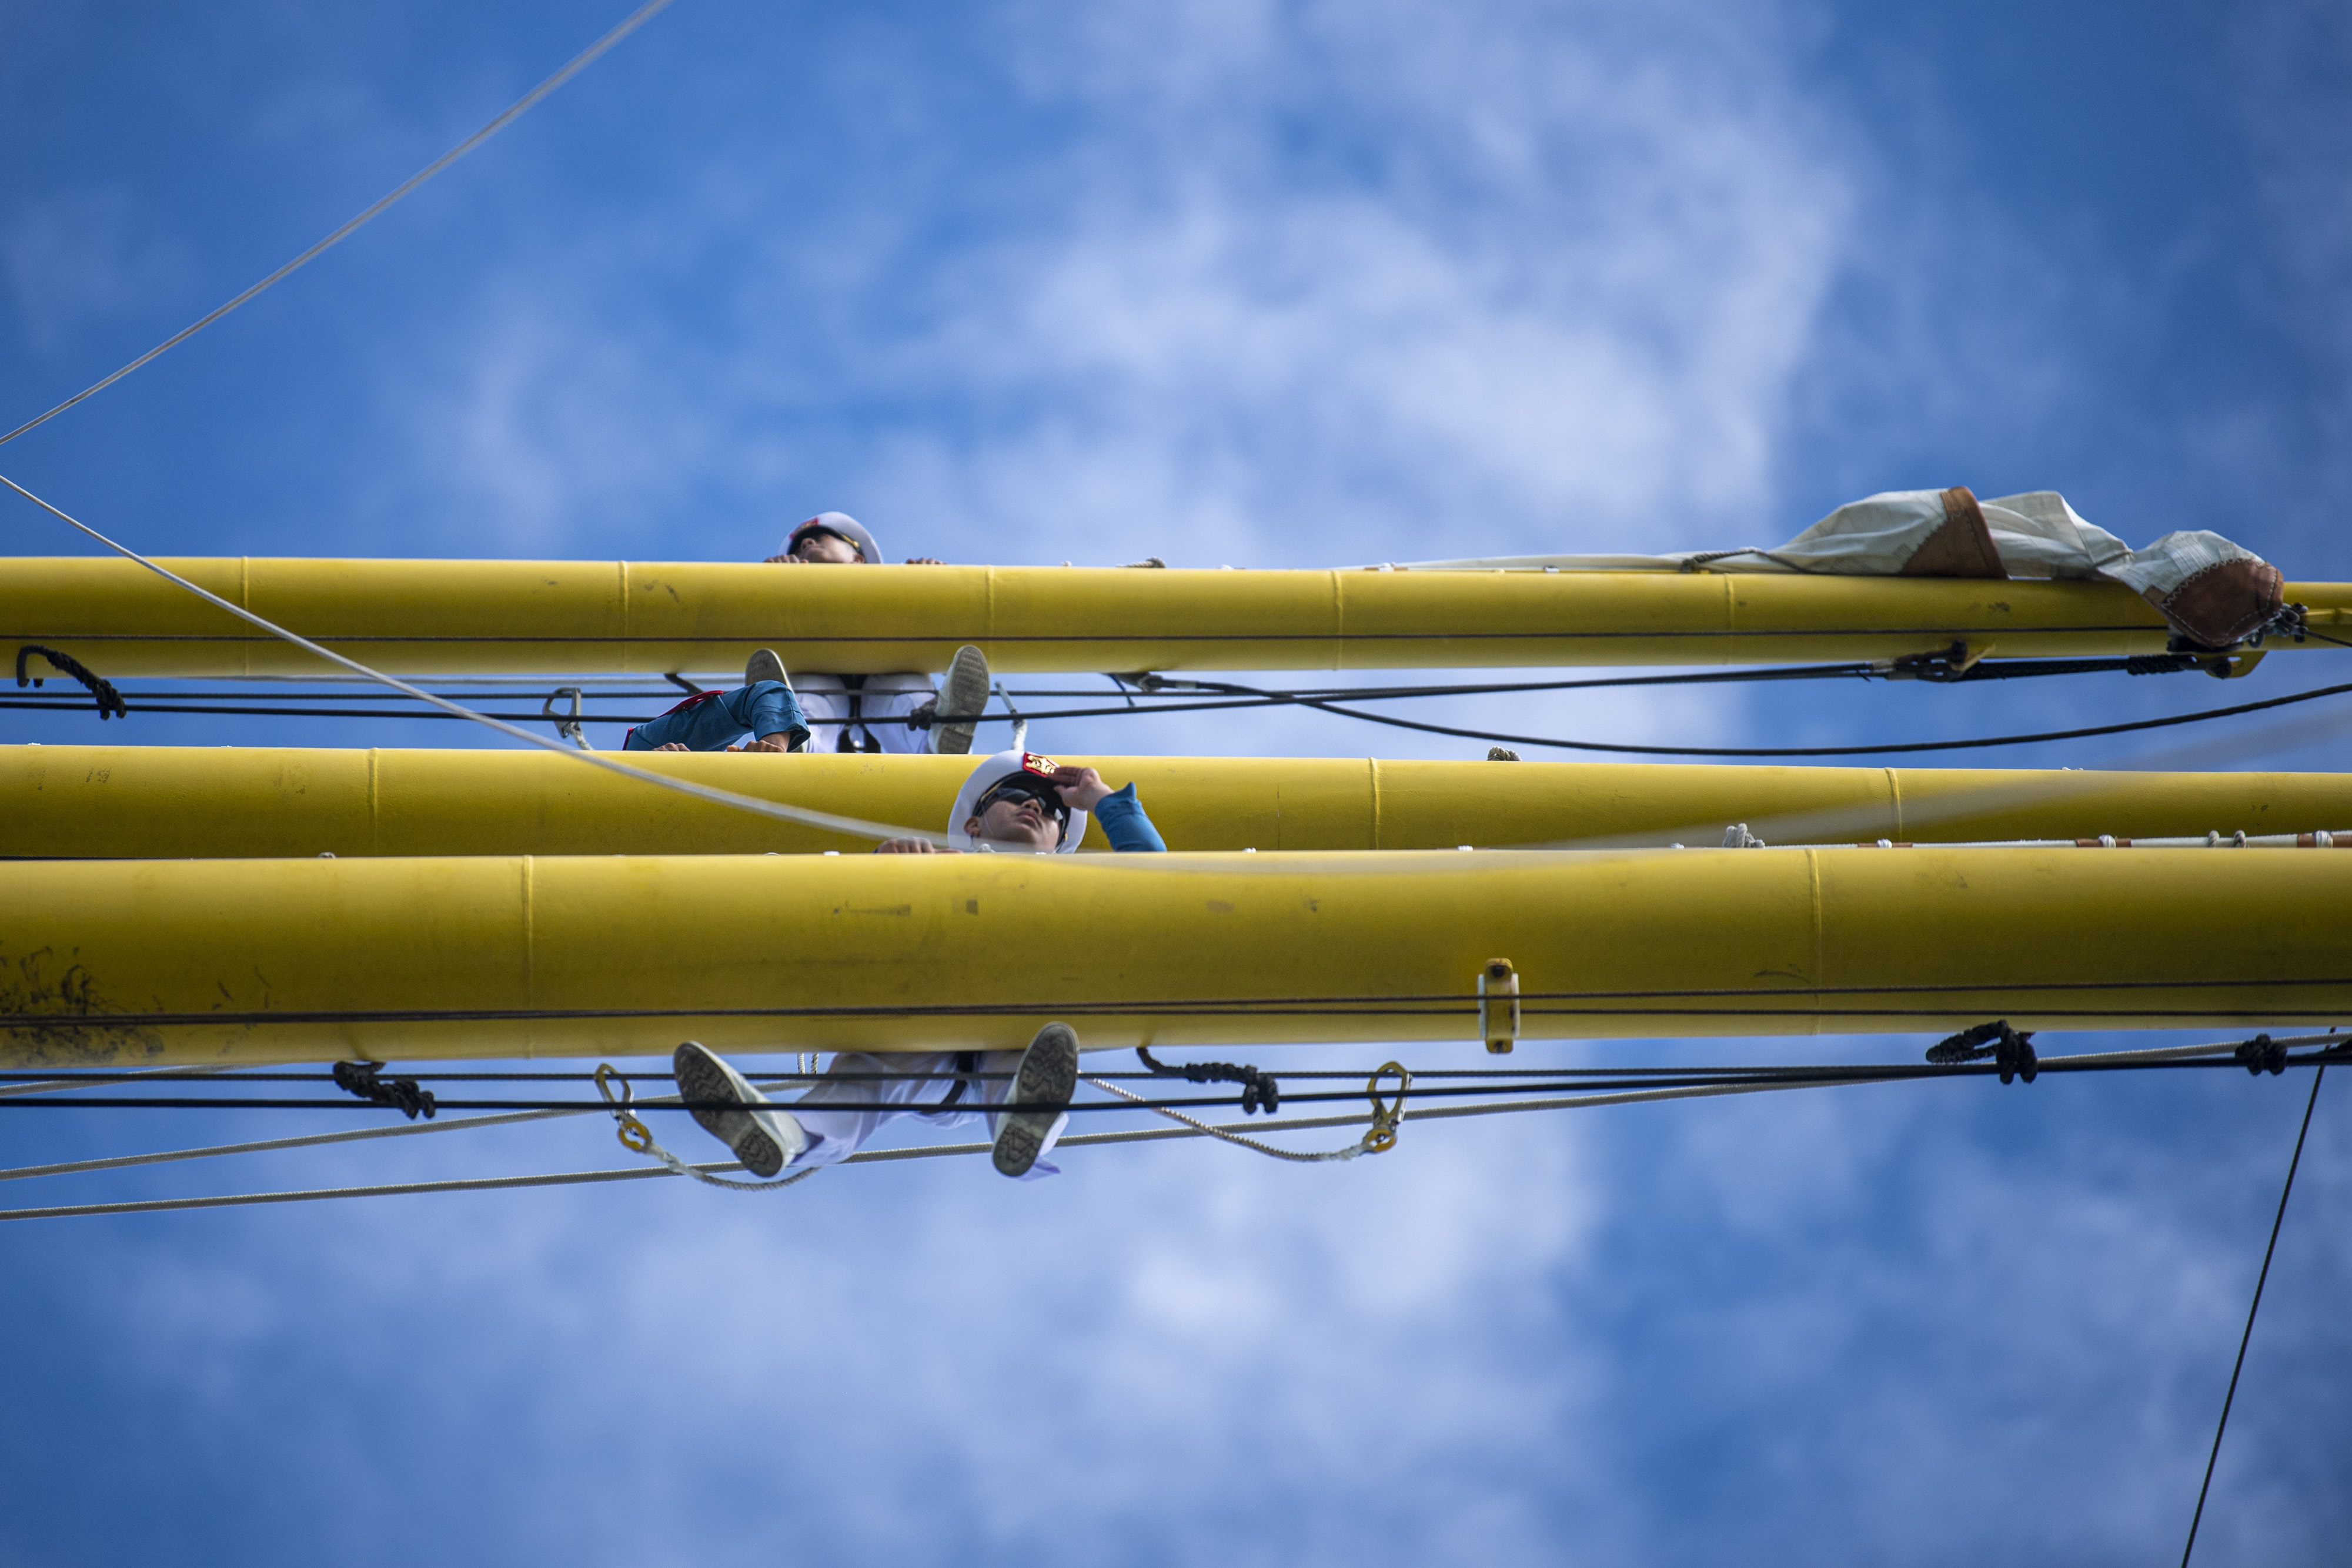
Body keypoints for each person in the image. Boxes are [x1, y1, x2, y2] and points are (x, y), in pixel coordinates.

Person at [671, 751, 1168, 1180]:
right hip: (925, 1019)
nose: (1035, 803)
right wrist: (883, 872)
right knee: (869, 1075)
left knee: (1021, 1058)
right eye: (1016, 793)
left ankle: (1025, 1118)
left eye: (1054, 809)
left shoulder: (1078, 885)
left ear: (1059, 844)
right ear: (974, 825)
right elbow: (847, 917)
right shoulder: (937, 863)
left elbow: (1159, 880)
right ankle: (791, 1136)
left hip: (1014, 1022)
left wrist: (1099, 796)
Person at [762, 511, 990, 756]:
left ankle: (938, 738)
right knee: (812, 692)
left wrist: (937, 590)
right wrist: (766, 589)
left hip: (887, 672)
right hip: (820, 673)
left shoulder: (899, 590)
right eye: (798, 548)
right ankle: (797, 743)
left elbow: (952, 649)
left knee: (904, 689)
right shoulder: (778, 595)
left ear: (857, 559)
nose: (806, 544)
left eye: (820, 538)